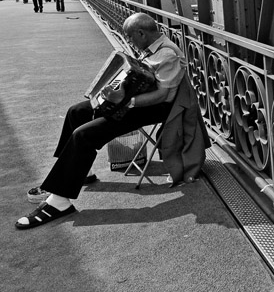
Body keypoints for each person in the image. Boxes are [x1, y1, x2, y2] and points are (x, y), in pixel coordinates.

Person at [15, 13, 198, 230]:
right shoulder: (154, 46)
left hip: (156, 109)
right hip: (138, 100)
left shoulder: (167, 54)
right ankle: (73, 173)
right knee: (76, 112)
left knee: (84, 135)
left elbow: (163, 96)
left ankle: (59, 201)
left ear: (141, 33)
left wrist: (125, 101)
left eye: (130, 37)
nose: (129, 42)